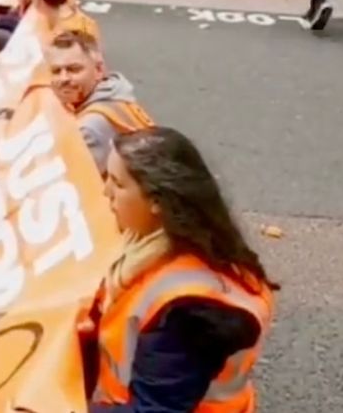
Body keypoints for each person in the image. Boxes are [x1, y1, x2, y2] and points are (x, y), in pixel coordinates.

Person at [80, 126, 277, 411]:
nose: (105, 191)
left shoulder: (189, 311)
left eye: (118, 184)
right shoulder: (151, 244)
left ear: (157, 203)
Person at [47, 30, 153, 173]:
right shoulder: (116, 92)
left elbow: (77, 184)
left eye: (74, 69)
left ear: (99, 70)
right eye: (56, 71)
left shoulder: (89, 129)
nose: (63, 78)